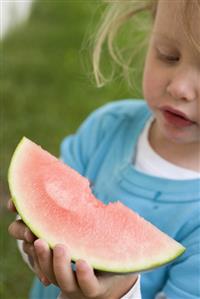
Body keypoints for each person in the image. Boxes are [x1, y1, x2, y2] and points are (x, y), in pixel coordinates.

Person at [8, 0, 200, 298]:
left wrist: (119, 293)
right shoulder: (107, 127)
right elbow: (45, 215)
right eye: (168, 56)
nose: (180, 88)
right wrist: (33, 244)